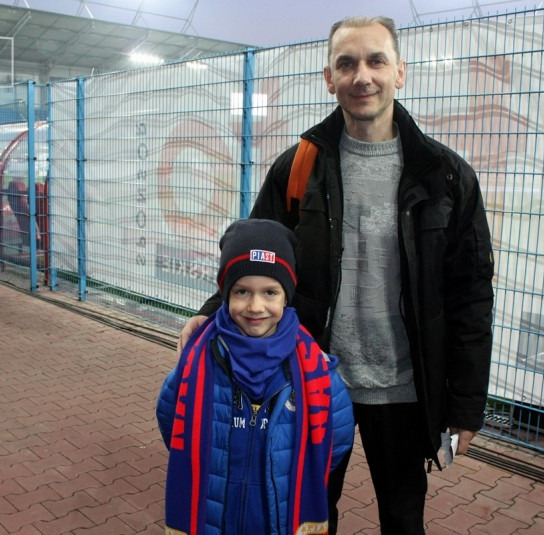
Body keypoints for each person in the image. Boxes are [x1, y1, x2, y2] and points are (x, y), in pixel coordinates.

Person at [178, 16, 495, 535]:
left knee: (403, 518)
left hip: (405, 388)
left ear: (400, 72)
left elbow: (471, 295)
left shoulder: (445, 176)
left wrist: (465, 405)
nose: (361, 76)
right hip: (314, 379)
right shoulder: (299, 168)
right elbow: (257, 256)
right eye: (346, 64)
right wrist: (211, 311)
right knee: (308, 516)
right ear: (329, 78)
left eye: (376, 61)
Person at [158, 218, 354, 535]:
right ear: (225, 293)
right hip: (214, 518)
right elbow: (172, 421)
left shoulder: (315, 370)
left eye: (270, 292)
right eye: (242, 291)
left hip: (280, 520)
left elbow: (335, 441)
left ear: (286, 296)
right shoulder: (198, 362)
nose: (255, 306)